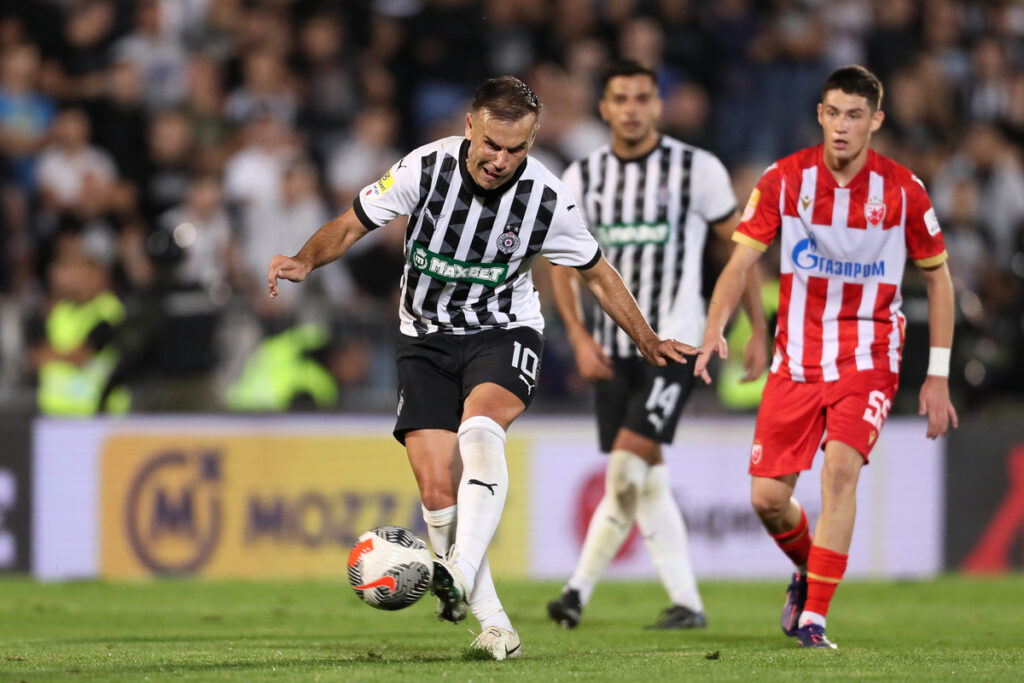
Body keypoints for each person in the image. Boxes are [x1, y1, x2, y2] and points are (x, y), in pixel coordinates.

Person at [267, 76, 699, 660]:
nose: (500, 160)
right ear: (469, 126)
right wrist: (303, 260)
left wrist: (644, 338)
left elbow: (597, 271)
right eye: (491, 144)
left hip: (503, 330)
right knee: (437, 490)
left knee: (479, 430)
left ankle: (461, 572)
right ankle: (496, 625)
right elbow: (350, 223)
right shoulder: (425, 168)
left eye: (516, 149)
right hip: (423, 337)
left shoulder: (548, 199)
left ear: (532, 140)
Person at [694, 65, 958, 649]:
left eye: (855, 115)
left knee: (840, 471)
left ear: (876, 121)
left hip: (869, 353)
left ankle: (813, 619)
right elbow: (741, 262)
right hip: (797, 358)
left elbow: (940, 282)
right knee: (767, 500)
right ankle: (807, 574)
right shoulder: (786, 179)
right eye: (833, 113)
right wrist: (717, 327)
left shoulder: (903, 191)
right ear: (820, 114)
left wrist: (937, 375)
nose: (842, 126)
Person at [545, 59, 768, 630]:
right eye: (621, 98)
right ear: (604, 107)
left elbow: (742, 250)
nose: (632, 108)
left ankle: (575, 592)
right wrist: (576, 335)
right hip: (611, 346)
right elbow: (562, 265)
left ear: (657, 105)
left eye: (642, 97)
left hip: (677, 343)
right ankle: (688, 604)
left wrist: (757, 329)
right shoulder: (582, 176)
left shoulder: (697, 169)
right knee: (646, 473)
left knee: (624, 469)